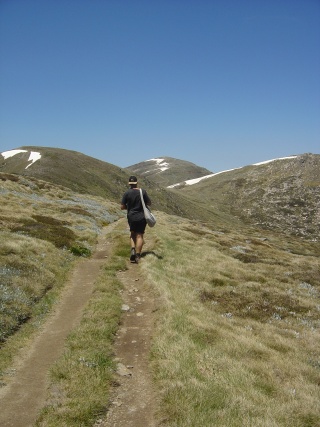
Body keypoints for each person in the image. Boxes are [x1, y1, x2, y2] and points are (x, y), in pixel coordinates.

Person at [121, 175, 152, 263]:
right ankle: (138, 255)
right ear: (136, 183)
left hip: (131, 216)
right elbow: (149, 203)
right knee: (139, 235)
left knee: (132, 234)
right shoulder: (143, 192)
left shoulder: (127, 193)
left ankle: (133, 250)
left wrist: (130, 208)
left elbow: (122, 207)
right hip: (142, 216)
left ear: (129, 184)